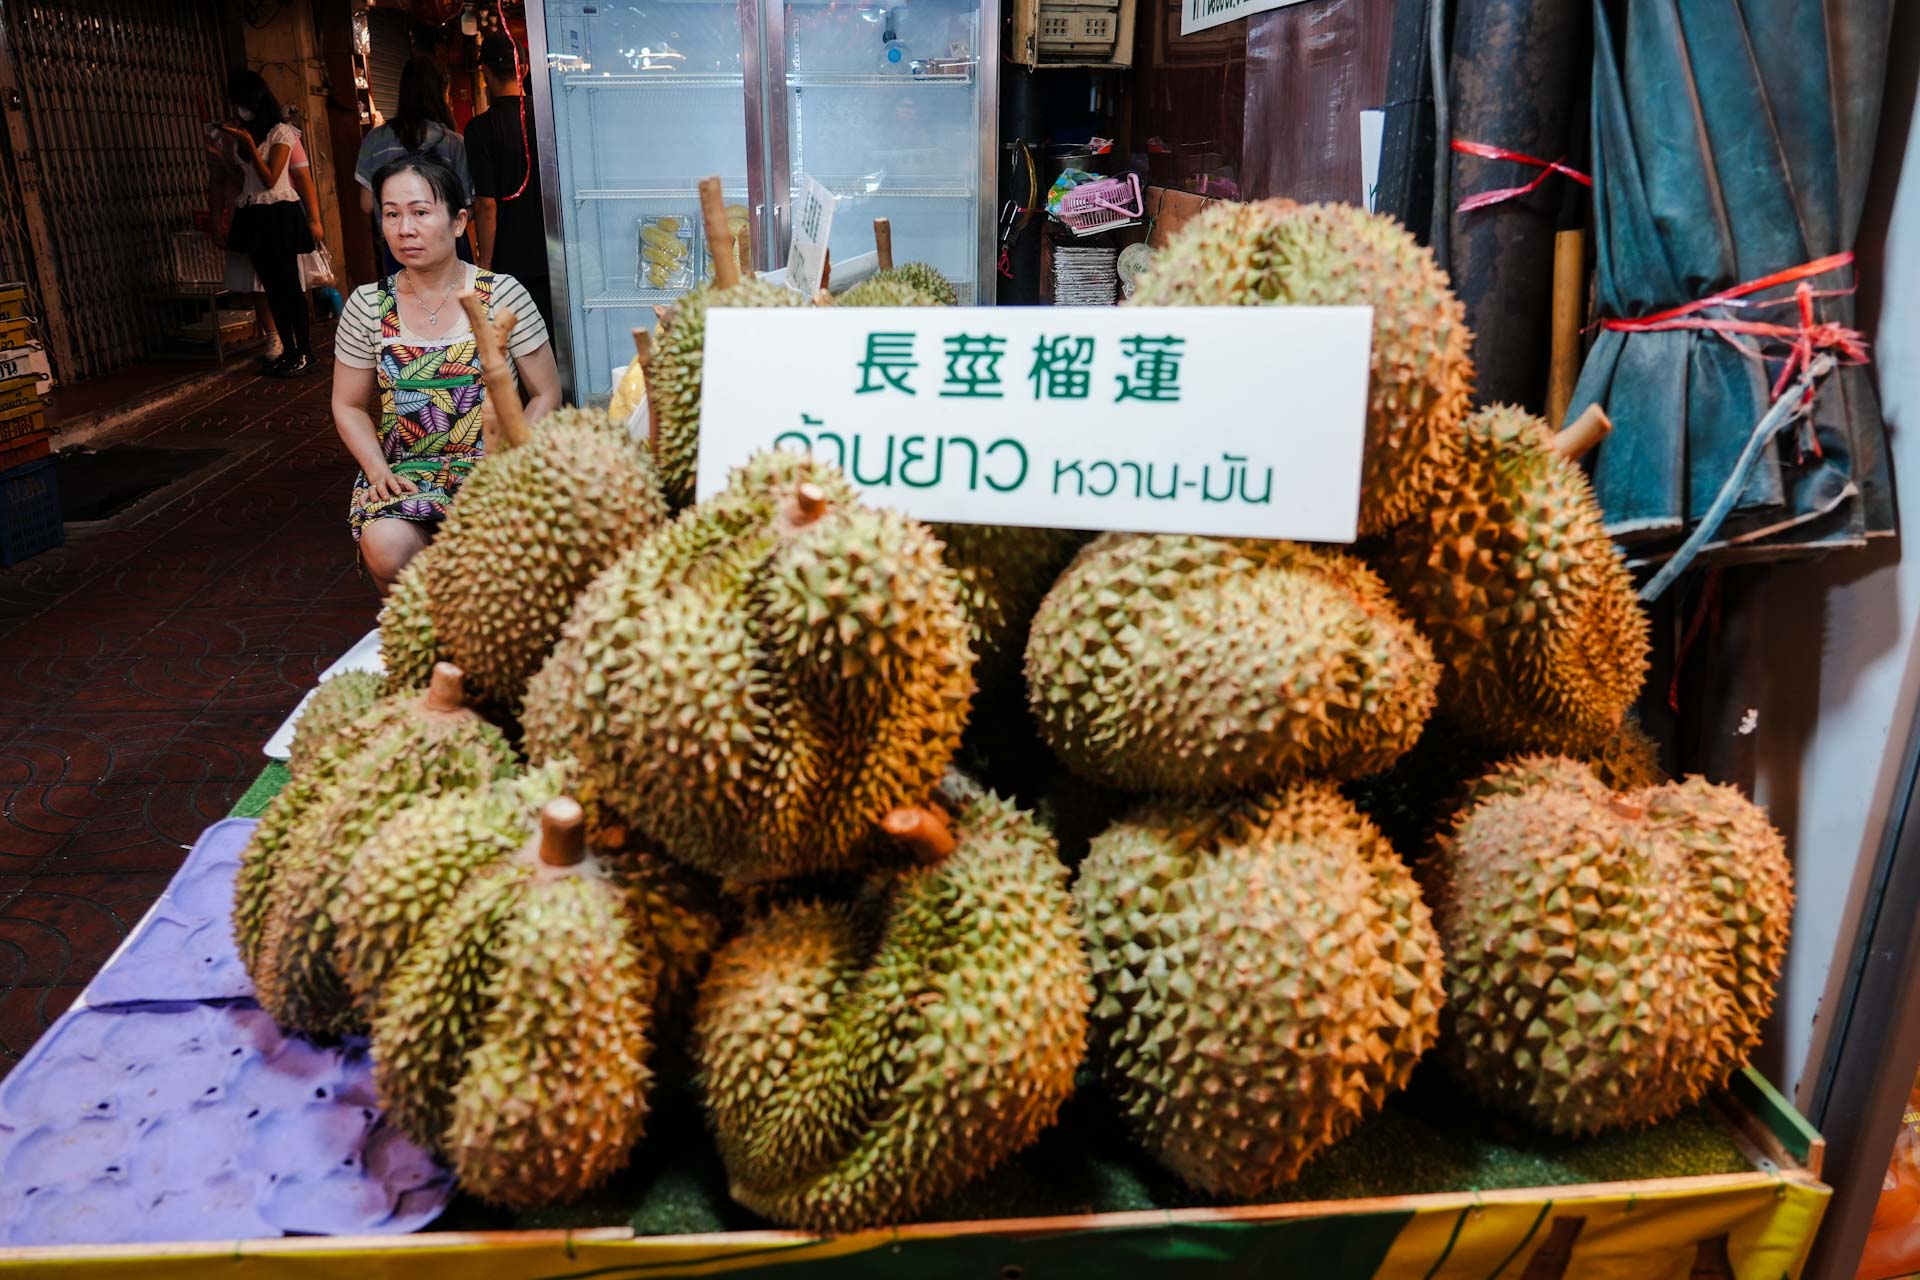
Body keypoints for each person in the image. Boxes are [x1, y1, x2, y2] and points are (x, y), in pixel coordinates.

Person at [331, 155, 560, 593]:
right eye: (392, 214)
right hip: (405, 473)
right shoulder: (367, 305)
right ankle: (426, 631)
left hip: (497, 471)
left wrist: (510, 466)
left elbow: (546, 393)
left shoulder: (502, 294)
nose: (404, 229)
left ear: (458, 222)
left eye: (420, 212)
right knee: (385, 545)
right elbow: (347, 404)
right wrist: (378, 471)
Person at [219, 69, 316, 377]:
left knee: (289, 286)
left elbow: (271, 177)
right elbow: (246, 180)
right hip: (254, 213)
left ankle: (304, 352)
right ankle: (288, 351)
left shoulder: (282, 133)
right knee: (271, 288)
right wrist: (221, 159)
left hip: (279, 213)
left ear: (254, 100)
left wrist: (247, 142)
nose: (237, 110)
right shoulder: (247, 136)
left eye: (240, 102)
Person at [355, 56, 473, 275]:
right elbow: (468, 206)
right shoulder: (453, 142)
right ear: (441, 92)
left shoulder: (374, 140)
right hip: (447, 248)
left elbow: (366, 205)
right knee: (461, 307)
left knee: (399, 307)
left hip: (397, 249)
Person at [466, 32, 552, 329]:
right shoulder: (549, 118)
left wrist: (485, 264)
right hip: (553, 253)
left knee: (516, 340)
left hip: (509, 261)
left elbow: (487, 205)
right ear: (524, 70)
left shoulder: (480, 129)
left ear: (485, 73)